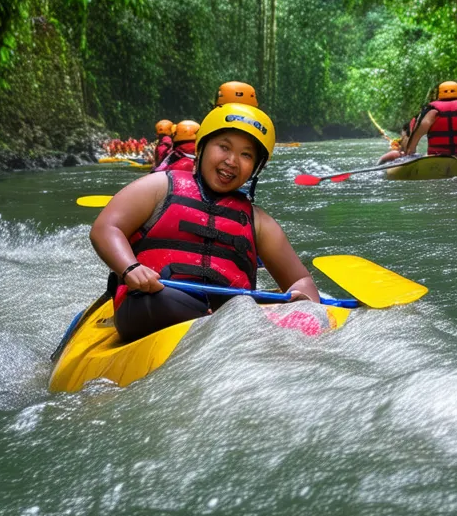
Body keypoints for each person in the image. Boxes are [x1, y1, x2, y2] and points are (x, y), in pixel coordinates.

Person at [90, 103, 321, 342]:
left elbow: (300, 280)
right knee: (158, 302)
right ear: (202, 148)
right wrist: (130, 268)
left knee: (256, 312)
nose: (232, 161)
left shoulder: (259, 221)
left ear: (255, 167)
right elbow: (106, 228)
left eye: (246, 155)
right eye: (224, 147)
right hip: (153, 302)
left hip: (231, 320)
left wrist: (305, 303)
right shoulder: (158, 187)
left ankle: (225, 324)